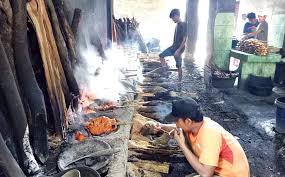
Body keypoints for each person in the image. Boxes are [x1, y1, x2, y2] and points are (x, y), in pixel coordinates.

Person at [155, 98, 250, 177]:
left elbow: (206, 173)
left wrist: (182, 145)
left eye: (177, 121)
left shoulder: (209, 134)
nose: (176, 123)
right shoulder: (196, 125)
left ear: (188, 121)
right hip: (217, 171)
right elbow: (177, 127)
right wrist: (161, 126)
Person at [159, 9, 187, 82]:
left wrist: (178, 51)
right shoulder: (177, 24)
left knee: (179, 66)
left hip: (179, 48)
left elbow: (184, 39)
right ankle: (165, 71)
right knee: (161, 55)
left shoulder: (183, 24)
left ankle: (179, 82)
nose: (172, 20)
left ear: (176, 16)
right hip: (174, 47)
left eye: (173, 18)